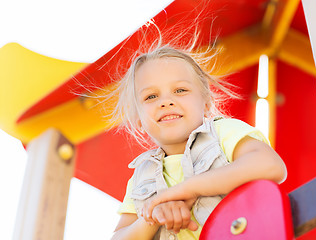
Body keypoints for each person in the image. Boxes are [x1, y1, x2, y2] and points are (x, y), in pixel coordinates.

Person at [110, 45, 287, 240]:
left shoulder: (222, 132)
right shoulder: (140, 177)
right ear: (138, 118)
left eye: (180, 90)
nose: (166, 101)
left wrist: (189, 188)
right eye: (151, 96)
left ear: (206, 102)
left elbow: (270, 166)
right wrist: (155, 215)